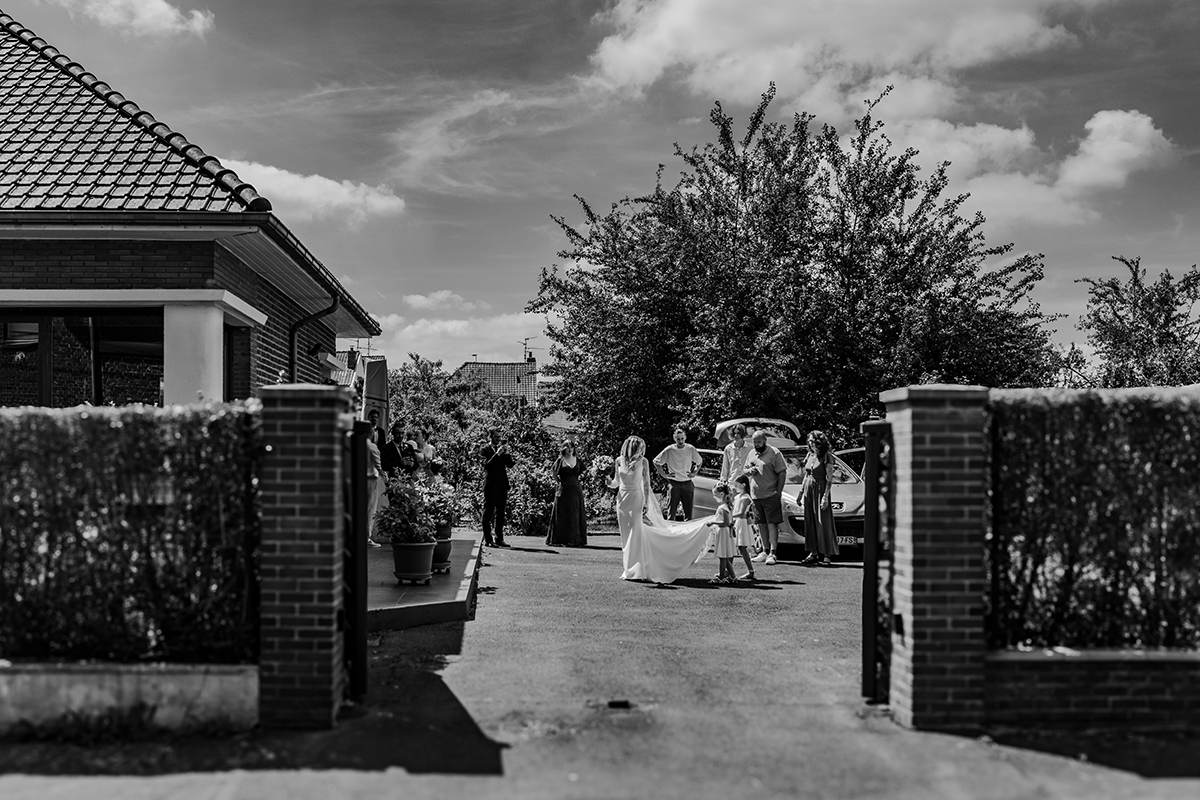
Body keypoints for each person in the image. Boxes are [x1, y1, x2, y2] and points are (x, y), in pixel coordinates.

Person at [610, 435, 713, 583]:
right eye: (640, 448)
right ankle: (628, 569)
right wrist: (608, 481)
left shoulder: (643, 462)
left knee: (636, 533)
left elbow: (646, 484)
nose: (642, 451)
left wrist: (646, 503)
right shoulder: (619, 461)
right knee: (626, 536)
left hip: (636, 498)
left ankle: (637, 570)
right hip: (622, 500)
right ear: (632, 447)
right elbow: (616, 482)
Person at [745, 429, 787, 566]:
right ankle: (764, 551)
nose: (756, 444)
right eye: (754, 442)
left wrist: (778, 492)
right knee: (760, 524)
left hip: (771, 495)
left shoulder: (774, 453)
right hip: (756, 496)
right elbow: (745, 470)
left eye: (759, 441)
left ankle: (773, 553)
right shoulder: (752, 453)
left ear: (765, 440)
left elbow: (782, 472)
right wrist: (749, 471)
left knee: (772, 523)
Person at [799, 430, 840, 567]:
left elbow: (829, 478)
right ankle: (813, 552)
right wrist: (800, 492)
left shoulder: (827, 456)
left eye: (813, 441)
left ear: (820, 442)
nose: (811, 444)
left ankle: (827, 554)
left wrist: (825, 496)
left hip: (820, 488)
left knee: (823, 521)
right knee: (810, 520)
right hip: (808, 489)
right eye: (809, 441)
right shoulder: (809, 455)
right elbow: (806, 475)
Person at [653, 427, 703, 520]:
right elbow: (656, 462)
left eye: (682, 439)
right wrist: (664, 474)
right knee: (671, 513)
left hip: (687, 482)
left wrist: (694, 473)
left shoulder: (690, 449)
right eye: (678, 439)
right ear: (674, 439)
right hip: (674, 483)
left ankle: (687, 528)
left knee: (688, 513)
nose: (680, 441)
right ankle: (670, 528)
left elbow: (699, 462)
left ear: (685, 438)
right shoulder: (669, 450)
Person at [546, 439, 587, 547]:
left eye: (571, 447)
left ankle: (575, 539)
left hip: (576, 490)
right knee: (562, 513)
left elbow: (584, 472)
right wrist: (560, 482)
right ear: (564, 448)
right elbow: (554, 473)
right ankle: (560, 539)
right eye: (567, 447)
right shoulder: (560, 460)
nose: (570, 449)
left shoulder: (578, 460)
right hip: (563, 489)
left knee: (575, 513)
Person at [480, 429, 514, 548]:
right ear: (490, 436)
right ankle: (488, 539)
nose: (498, 439)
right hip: (491, 485)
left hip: (502, 485)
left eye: (500, 437)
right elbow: (487, 466)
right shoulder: (485, 450)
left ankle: (499, 538)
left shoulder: (502, 450)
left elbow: (510, 465)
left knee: (500, 513)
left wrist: (507, 453)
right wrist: (497, 454)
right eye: (496, 437)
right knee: (488, 512)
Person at [706, 484, 737, 584]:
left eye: (715, 495)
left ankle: (721, 577)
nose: (714, 497)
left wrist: (713, 522)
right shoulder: (727, 506)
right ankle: (732, 576)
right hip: (725, 532)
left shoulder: (723, 507)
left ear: (722, 494)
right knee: (725, 557)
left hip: (723, 532)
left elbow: (725, 522)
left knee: (723, 556)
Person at [732, 475, 756, 581]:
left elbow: (741, 513)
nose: (735, 487)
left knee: (741, 547)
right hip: (737, 522)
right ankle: (729, 569)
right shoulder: (738, 497)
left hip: (741, 523)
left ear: (743, 485)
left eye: (737, 485)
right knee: (734, 547)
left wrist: (730, 516)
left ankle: (750, 571)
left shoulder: (745, 498)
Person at [365, 427, 383, 547]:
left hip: (360, 479)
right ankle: (367, 537)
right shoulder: (372, 447)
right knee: (370, 508)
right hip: (371, 480)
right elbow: (378, 465)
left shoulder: (357, 446)